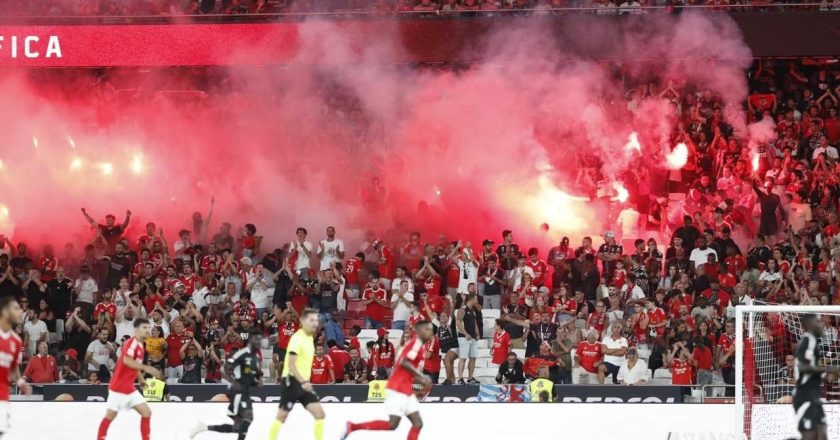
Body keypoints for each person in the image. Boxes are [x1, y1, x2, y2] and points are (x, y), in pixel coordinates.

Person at [341, 321, 435, 440]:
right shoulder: (415, 345)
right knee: (393, 424)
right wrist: (421, 377)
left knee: (417, 423)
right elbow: (404, 362)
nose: (430, 332)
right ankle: (353, 427)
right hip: (398, 388)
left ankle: (352, 427)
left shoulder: (417, 345)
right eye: (427, 329)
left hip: (405, 388)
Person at [96, 318, 162, 440]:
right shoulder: (132, 343)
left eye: (148, 328)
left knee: (146, 412)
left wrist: (141, 379)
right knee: (111, 415)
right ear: (136, 330)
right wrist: (148, 369)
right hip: (118, 387)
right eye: (144, 328)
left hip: (129, 388)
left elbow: (134, 365)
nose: (147, 330)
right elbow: (127, 360)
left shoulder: (141, 347)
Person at [190, 331, 264, 440]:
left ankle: (204, 427)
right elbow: (223, 369)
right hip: (237, 393)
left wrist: (256, 381)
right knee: (247, 419)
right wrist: (233, 381)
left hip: (244, 393)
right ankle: (203, 427)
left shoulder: (253, 358)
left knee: (238, 428)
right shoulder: (241, 354)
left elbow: (252, 377)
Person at [268, 308, 326, 440]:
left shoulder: (309, 338)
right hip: (292, 381)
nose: (314, 323)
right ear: (302, 321)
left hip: (302, 383)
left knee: (320, 414)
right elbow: (291, 364)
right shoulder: (297, 338)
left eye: (315, 321)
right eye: (311, 320)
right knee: (281, 417)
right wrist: (304, 382)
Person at [793, 314, 840, 440]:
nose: (821, 325)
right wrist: (829, 369)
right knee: (810, 436)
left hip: (814, 396)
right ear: (809, 326)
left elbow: (812, 371)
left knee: (822, 434)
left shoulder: (814, 343)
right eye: (818, 322)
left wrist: (827, 376)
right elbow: (803, 367)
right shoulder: (808, 340)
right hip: (805, 396)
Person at [0, 296, 31, 437]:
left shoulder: (16, 341)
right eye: (16, 308)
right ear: (5, 312)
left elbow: (13, 370)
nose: (20, 312)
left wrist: (21, 383)